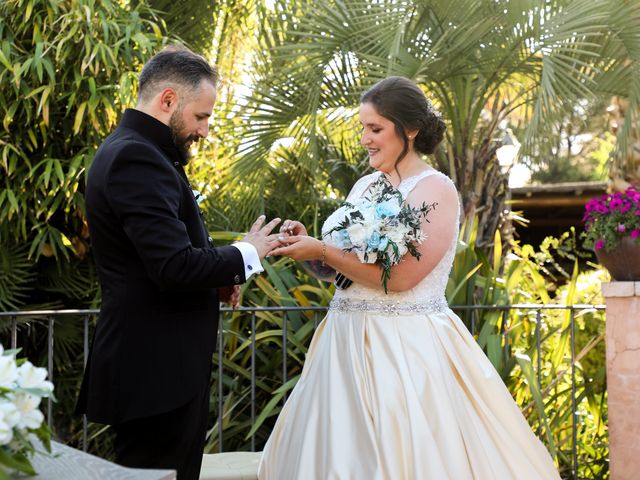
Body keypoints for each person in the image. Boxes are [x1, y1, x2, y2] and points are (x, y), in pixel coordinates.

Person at [257, 76, 561, 479]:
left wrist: (324, 248)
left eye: (376, 128)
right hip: (344, 343)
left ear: (410, 130)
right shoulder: (365, 186)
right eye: (363, 128)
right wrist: (307, 251)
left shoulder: (436, 190)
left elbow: (400, 280)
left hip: (404, 350)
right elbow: (340, 274)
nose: (365, 138)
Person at [76, 46, 281, 480]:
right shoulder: (137, 158)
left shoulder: (140, 151)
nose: (205, 130)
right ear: (168, 100)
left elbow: (155, 262)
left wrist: (218, 281)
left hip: (160, 372)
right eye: (201, 116)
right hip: (154, 376)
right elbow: (172, 266)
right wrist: (250, 252)